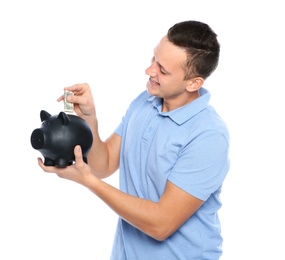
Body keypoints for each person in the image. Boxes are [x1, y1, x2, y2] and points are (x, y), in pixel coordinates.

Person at [38, 20, 230, 260]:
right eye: (153, 60)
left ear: (194, 83)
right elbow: (104, 164)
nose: (150, 71)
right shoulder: (145, 102)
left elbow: (161, 225)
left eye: (163, 70)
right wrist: (90, 119)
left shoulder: (208, 136)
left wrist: (88, 181)